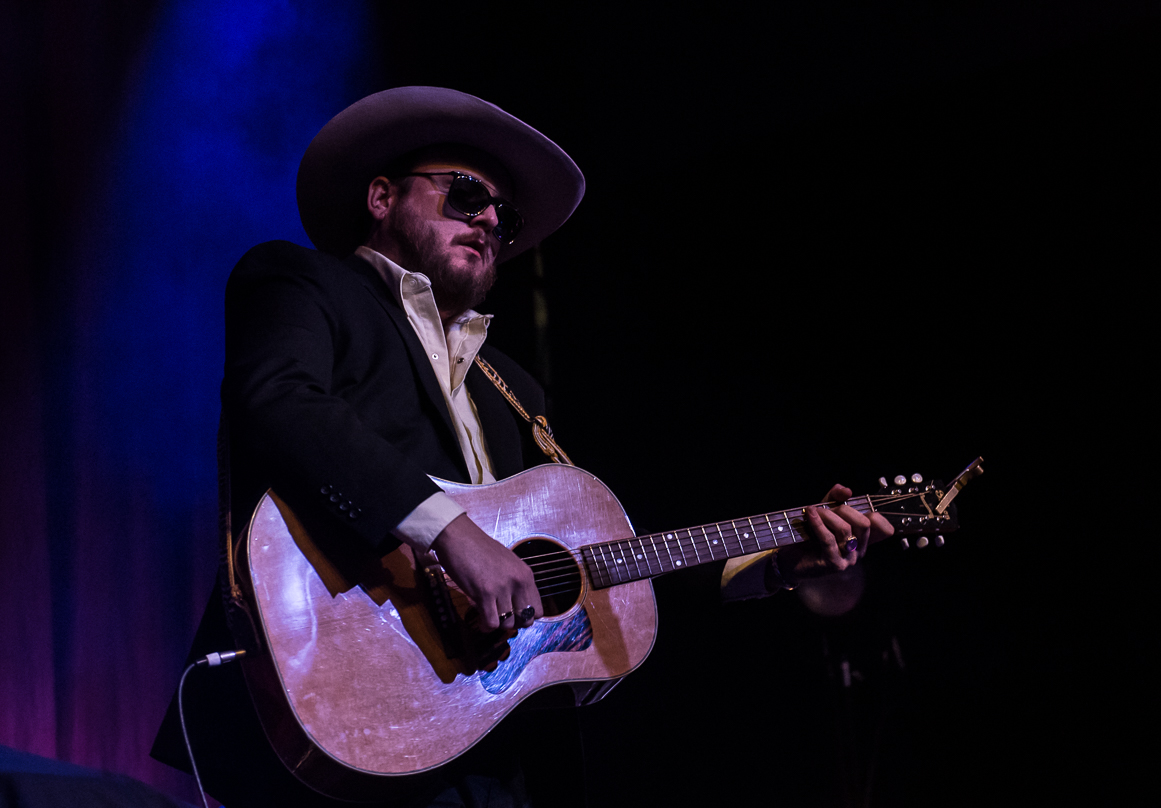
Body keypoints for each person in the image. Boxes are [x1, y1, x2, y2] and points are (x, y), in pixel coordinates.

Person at [151, 86, 892, 807]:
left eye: (504, 218)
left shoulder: (511, 386)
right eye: (467, 195)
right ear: (381, 197)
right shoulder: (303, 281)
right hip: (341, 693)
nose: (489, 221)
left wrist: (776, 561)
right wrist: (451, 532)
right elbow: (279, 402)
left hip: (488, 738)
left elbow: (596, 561)